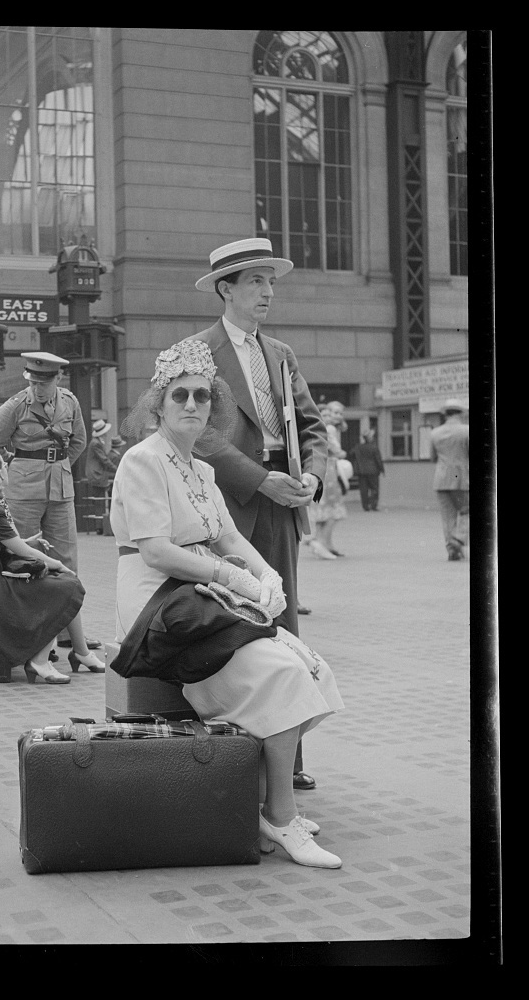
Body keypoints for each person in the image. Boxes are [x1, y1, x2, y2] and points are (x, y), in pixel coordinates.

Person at [112, 338, 344, 868]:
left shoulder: (202, 469)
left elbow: (233, 540)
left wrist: (268, 579)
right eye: (179, 396)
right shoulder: (142, 460)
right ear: (158, 405)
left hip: (200, 592)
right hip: (158, 600)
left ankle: (262, 804)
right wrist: (231, 580)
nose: (192, 405)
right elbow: (157, 550)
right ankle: (280, 817)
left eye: (201, 396)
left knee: (311, 668)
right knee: (282, 674)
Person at [186, 237, 328, 791]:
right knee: (237, 626)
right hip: (232, 506)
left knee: (284, 626)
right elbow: (200, 435)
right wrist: (257, 478)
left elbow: (311, 426)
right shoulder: (196, 352)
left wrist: (311, 475)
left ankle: (287, 761)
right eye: (255, 282)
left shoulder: (283, 353)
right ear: (225, 288)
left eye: (270, 282)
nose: (267, 292)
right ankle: (238, 758)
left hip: (284, 501)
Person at [0, 438, 106, 683]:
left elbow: (5, 544)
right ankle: (41, 661)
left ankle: (79, 653)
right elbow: (21, 549)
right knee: (67, 584)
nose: (8, 471)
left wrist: (29, 546)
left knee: (64, 585)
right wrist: (57, 563)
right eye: (4, 468)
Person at [0, 351, 100, 650]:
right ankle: (31, 637)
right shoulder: (13, 407)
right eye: (33, 381)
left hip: (61, 490)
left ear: (58, 377)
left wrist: (59, 465)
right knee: (26, 560)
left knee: (66, 561)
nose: (37, 387)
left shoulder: (70, 402)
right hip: (23, 491)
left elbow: (78, 440)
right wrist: (14, 471)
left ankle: (67, 634)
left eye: (44, 381)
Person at [429, 398, 470, 561]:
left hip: (441, 478)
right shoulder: (466, 431)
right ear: (460, 413)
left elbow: (433, 457)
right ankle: (458, 539)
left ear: (446, 414)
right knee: (467, 510)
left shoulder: (435, 433)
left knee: (448, 516)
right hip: (461, 478)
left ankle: (451, 549)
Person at [310, 401, 348, 560]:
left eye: (340, 413)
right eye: (333, 413)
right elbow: (336, 450)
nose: (336, 416)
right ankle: (322, 544)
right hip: (329, 469)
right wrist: (341, 453)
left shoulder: (321, 427)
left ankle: (324, 544)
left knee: (324, 509)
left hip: (321, 468)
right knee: (334, 508)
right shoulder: (330, 429)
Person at [84, 419, 121, 535]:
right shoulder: (96, 443)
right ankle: (99, 527)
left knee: (99, 501)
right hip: (97, 474)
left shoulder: (96, 442)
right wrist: (117, 469)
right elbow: (104, 460)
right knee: (99, 501)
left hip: (96, 474)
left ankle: (99, 525)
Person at [347, 429, 386, 511]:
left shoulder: (358, 447)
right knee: (374, 488)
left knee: (363, 489)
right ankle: (373, 505)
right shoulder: (374, 447)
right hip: (373, 471)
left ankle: (365, 506)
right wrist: (382, 469)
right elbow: (378, 460)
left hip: (361, 471)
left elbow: (351, 453)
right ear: (370, 438)